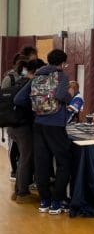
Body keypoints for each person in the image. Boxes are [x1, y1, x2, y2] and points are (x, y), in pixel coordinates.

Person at [15, 49, 73, 214]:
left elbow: (18, 98)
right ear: (62, 63)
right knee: (64, 162)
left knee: (42, 164)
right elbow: (62, 95)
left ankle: (44, 201)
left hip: (38, 124)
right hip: (55, 125)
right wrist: (71, 99)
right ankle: (57, 201)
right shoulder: (61, 76)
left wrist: (37, 108)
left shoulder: (37, 76)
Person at [8, 59, 42, 203]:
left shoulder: (19, 81)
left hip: (13, 125)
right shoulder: (30, 83)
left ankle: (18, 191)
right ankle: (22, 193)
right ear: (36, 71)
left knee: (22, 158)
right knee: (25, 159)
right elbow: (19, 100)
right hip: (23, 127)